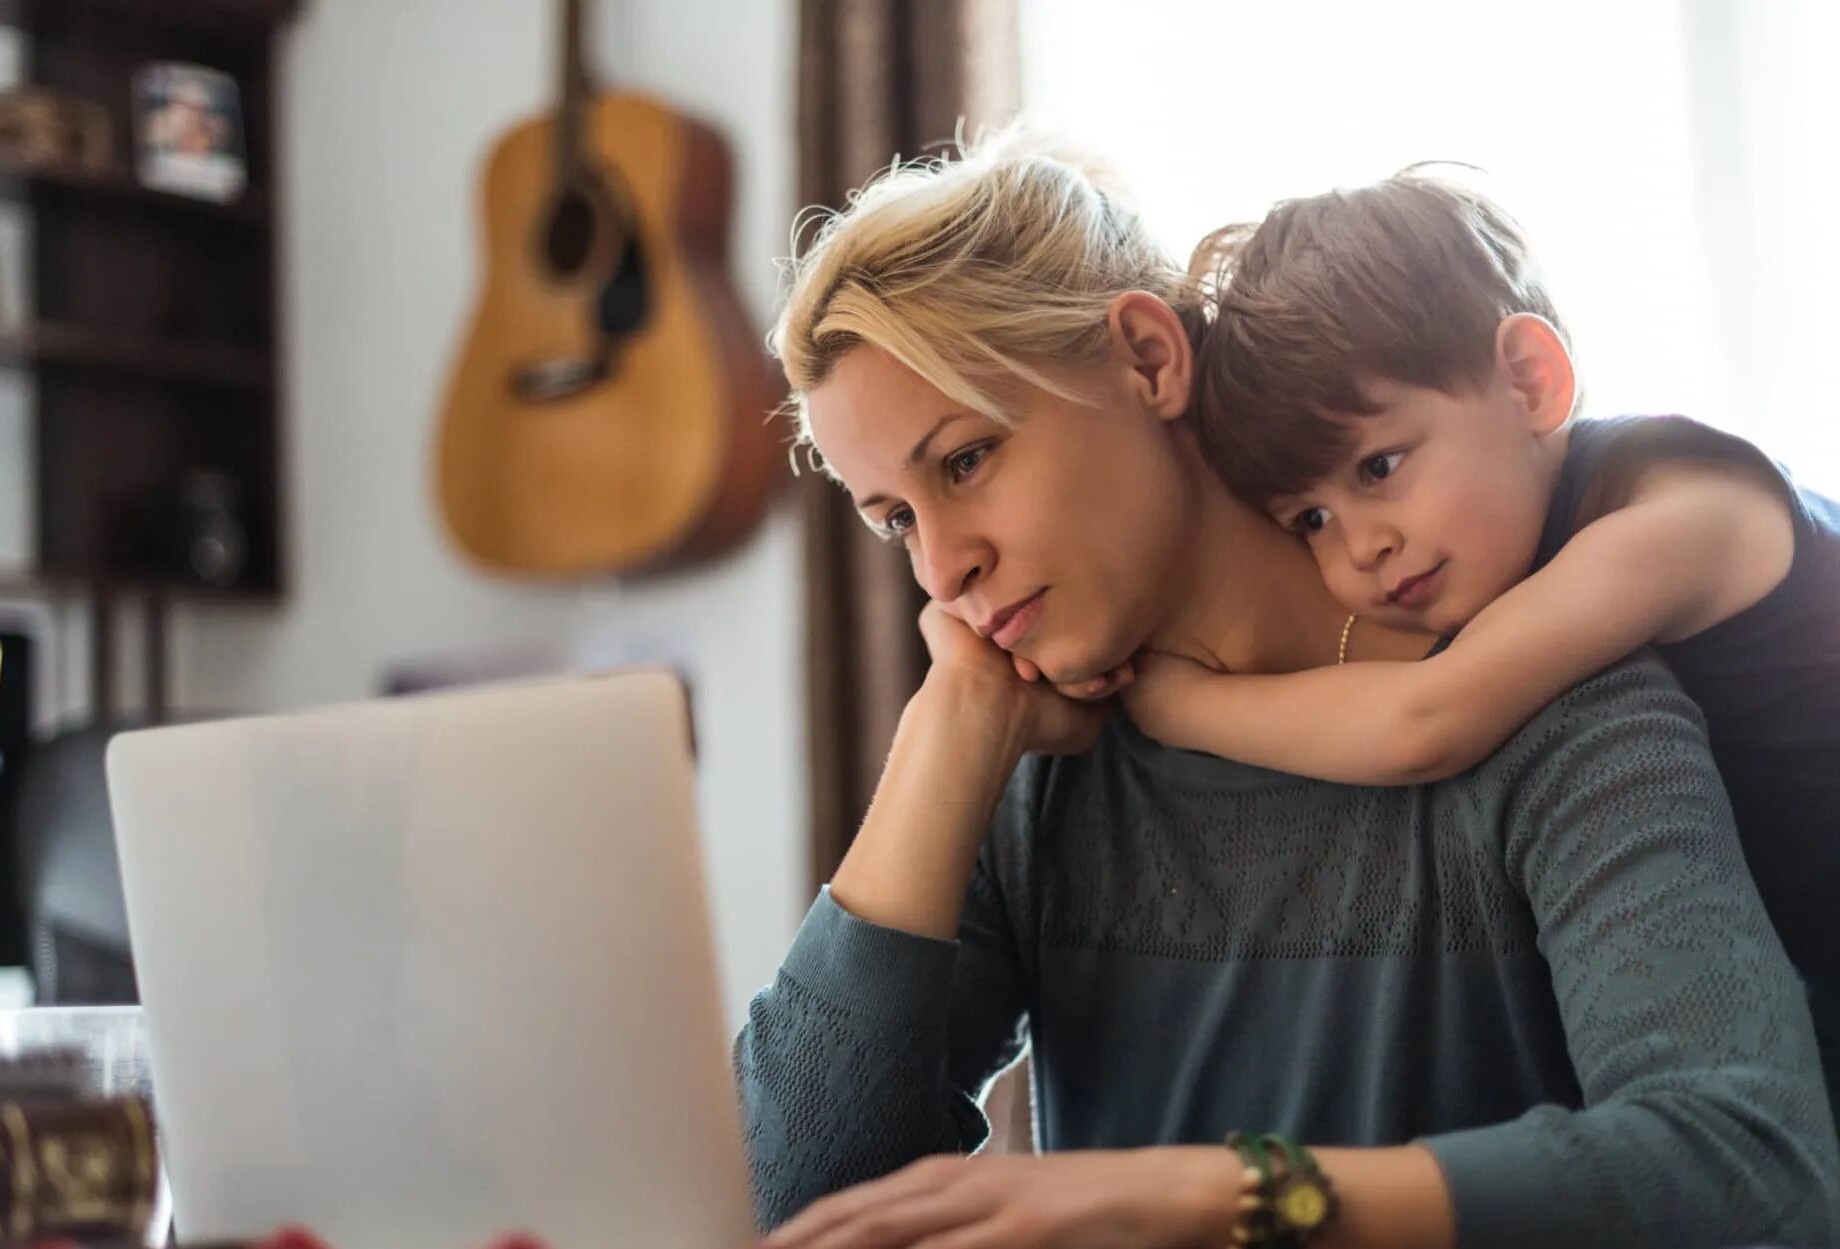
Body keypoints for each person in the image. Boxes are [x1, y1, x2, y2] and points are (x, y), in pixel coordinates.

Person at [733, 132, 1839, 1249]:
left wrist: (1226, 1196)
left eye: (965, 460)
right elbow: (808, 1201)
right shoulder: (1031, 768)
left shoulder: (1551, 697)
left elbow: (1747, 1163)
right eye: (896, 521)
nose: (940, 571)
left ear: (1149, 359)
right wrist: (948, 726)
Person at [1120, 169, 1840, 1114]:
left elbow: (1427, 719)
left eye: (1378, 466)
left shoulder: (1682, 510)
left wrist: (1166, 700)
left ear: (1530, 381)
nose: (1359, 546)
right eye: (1308, 520)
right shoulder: (1498, 552)